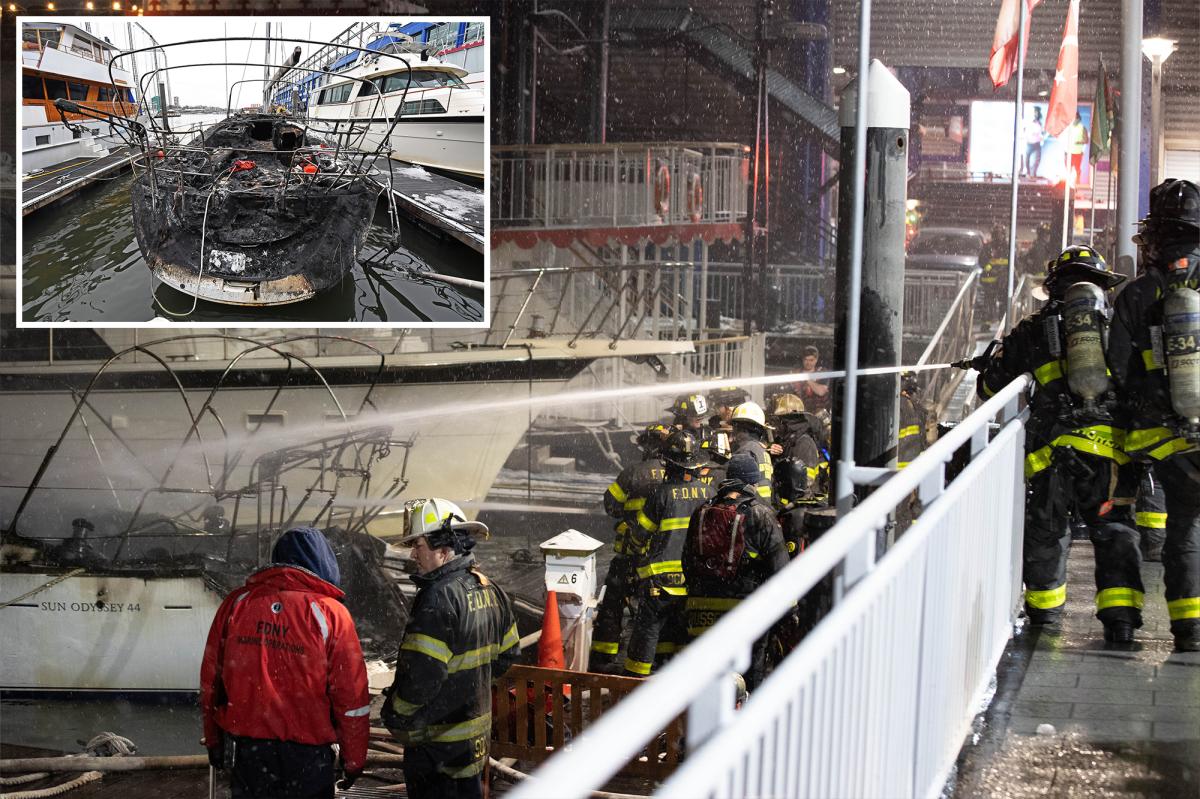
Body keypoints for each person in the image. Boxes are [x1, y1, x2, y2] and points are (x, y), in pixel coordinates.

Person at [968, 246, 1143, 643]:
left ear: (1054, 288)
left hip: (1053, 454)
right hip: (1112, 454)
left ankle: (1045, 620)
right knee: (1115, 530)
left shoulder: (1033, 330)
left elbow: (990, 388)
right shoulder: (1117, 325)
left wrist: (990, 364)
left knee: (1049, 532)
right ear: (1102, 286)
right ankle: (1122, 623)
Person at [200, 526, 369, 799]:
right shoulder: (332, 614)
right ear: (323, 562)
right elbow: (351, 697)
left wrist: (214, 739)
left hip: (250, 755)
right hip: (309, 757)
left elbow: (211, 681)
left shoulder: (236, 604)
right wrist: (354, 759)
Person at [1107, 178, 1200, 652]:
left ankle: (1189, 628)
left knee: (1185, 527)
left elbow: (1118, 369)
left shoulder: (1136, 294)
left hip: (1161, 436)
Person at [382, 498, 521, 797]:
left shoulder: (437, 598)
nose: (413, 555)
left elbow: (421, 678)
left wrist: (396, 715)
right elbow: (509, 654)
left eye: (418, 545)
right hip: (474, 741)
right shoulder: (490, 588)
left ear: (444, 550)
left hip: (435, 745)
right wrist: (468, 689)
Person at [682, 453, 789, 689]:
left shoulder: (703, 510)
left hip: (702, 607)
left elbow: (687, 561)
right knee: (749, 676)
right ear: (752, 481)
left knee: (705, 675)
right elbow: (780, 569)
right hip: (745, 610)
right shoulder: (761, 513)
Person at [624, 429, 714, 677]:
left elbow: (639, 535)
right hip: (694, 581)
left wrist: (634, 552)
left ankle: (635, 682)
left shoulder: (660, 494)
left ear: (670, 464)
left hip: (660, 581)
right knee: (680, 631)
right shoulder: (708, 493)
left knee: (648, 631)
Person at [591, 424, 668, 670]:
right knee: (657, 608)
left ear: (647, 446)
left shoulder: (632, 473)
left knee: (613, 603)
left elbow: (611, 505)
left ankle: (604, 655)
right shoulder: (675, 477)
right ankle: (657, 657)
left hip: (629, 554)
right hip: (659, 557)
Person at [768, 393, 830, 556]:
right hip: (789, 511)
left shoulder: (804, 443)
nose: (778, 425)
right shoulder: (790, 441)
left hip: (799, 514)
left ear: (790, 420)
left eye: (781, 420)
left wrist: (790, 511)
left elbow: (804, 485)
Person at [730, 400, 775, 503]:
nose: (734, 431)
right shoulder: (761, 449)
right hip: (764, 504)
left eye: (735, 427)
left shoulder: (745, 450)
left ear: (743, 428)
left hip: (750, 503)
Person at [793, 345, 830, 413]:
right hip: (802, 412)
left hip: (821, 412)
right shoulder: (796, 373)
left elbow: (821, 391)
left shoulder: (822, 372)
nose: (808, 363)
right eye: (806, 360)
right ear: (802, 359)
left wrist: (806, 378)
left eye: (811, 360)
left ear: (816, 360)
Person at [1065, 112, 1089, 185]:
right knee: (1068, 169)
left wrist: (1078, 142)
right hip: (1068, 152)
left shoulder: (1082, 127)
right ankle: (1067, 184)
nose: (1074, 119)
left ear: (1078, 118)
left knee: (1077, 169)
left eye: (1075, 117)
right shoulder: (1068, 127)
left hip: (1077, 153)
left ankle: (1077, 183)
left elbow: (1086, 140)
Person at [1022, 106, 1044, 178]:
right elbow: (1026, 130)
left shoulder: (1040, 122)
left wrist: (1040, 136)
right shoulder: (1030, 120)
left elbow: (1041, 132)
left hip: (1036, 143)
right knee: (1027, 158)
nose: (1035, 113)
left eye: (1037, 112)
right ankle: (1028, 173)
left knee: (1036, 160)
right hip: (1030, 143)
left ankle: (1033, 173)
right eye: (1035, 112)